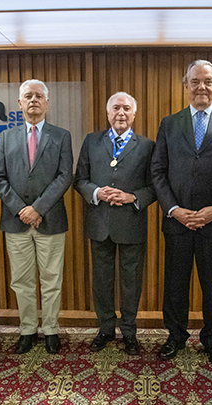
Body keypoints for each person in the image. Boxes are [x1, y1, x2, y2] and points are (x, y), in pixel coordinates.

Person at [150, 60, 212, 367]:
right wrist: (174, 210)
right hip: (178, 221)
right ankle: (175, 336)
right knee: (175, 282)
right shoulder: (170, 123)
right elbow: (158, 171)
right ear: (185, 85)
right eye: (195, 81)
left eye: (207, 81)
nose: (201, 87)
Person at [0, 79, 73, 355]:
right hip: (16, 222)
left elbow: (65, 177)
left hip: (50, 219)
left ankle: (50, 328)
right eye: (28, 96)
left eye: (39, 96)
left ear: (47, 103)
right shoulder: (5, 137)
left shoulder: (61, 136)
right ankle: (27, 329)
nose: (34, 100)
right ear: (20, 103)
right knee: (22, 280)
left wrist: (38, 208)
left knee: (51, 279)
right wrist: (22, 210)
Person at [75, 92, 156, 355]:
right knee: (102, 279)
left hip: (131, 222)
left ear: (134, 114)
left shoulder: (147, 146)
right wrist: (96, 192)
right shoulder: (91, 141)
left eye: (126, 108)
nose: (121, 113)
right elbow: (80, 180)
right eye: (116, 108)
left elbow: (155, 186)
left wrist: (133, 197)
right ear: (108, 113)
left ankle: (129, 332)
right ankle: (105, 329)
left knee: (131, 280)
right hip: (99, 223)